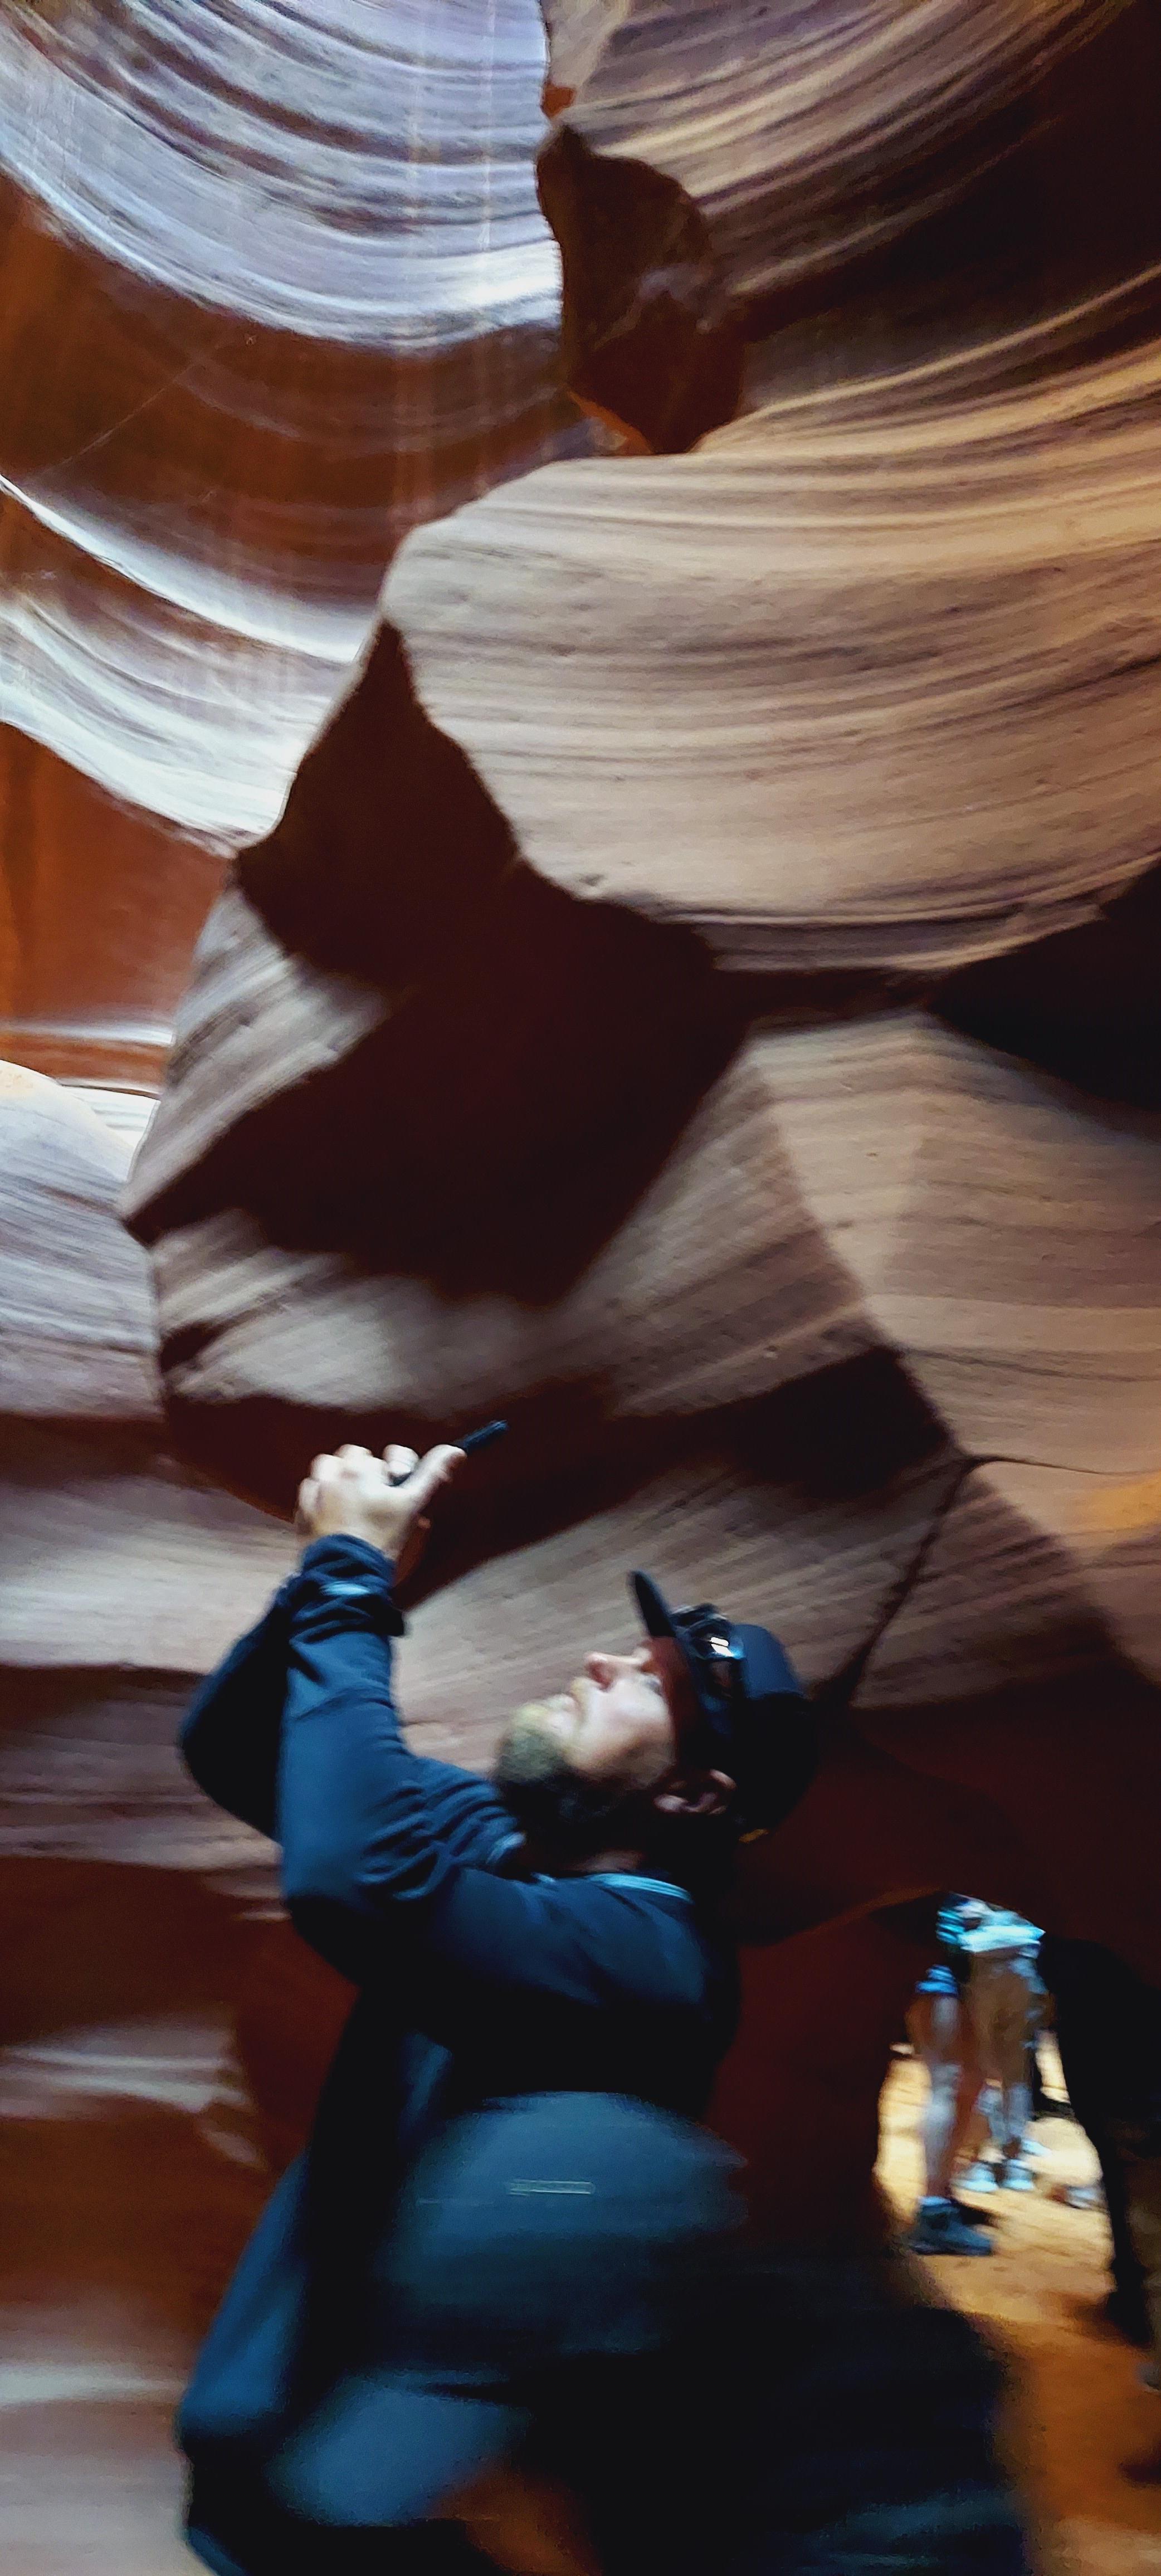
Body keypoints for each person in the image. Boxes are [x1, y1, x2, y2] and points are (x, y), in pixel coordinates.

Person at [175, 1438, 818, 2576]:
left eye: (649, 1682)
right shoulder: (508, 1844)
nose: (601, 1661)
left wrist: (350, 1576)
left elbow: (353, 1879)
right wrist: (336, 1581)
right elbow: (234, 1748)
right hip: (291, 2453)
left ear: (690, 1794)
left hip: (407, 2503)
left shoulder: (650, 1963)